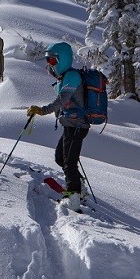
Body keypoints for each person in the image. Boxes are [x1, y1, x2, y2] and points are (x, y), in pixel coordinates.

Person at [26, 42, 90, 202]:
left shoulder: (72, 77)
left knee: (69, 163)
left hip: (77, 126)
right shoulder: (65, 77)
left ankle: (74, 198)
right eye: (48, 60)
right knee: (61, 158)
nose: (49, 64)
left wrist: (42, 110)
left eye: (53, 61)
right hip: (71, 125)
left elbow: (62, 100)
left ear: (63, 60)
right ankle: (79, 187)